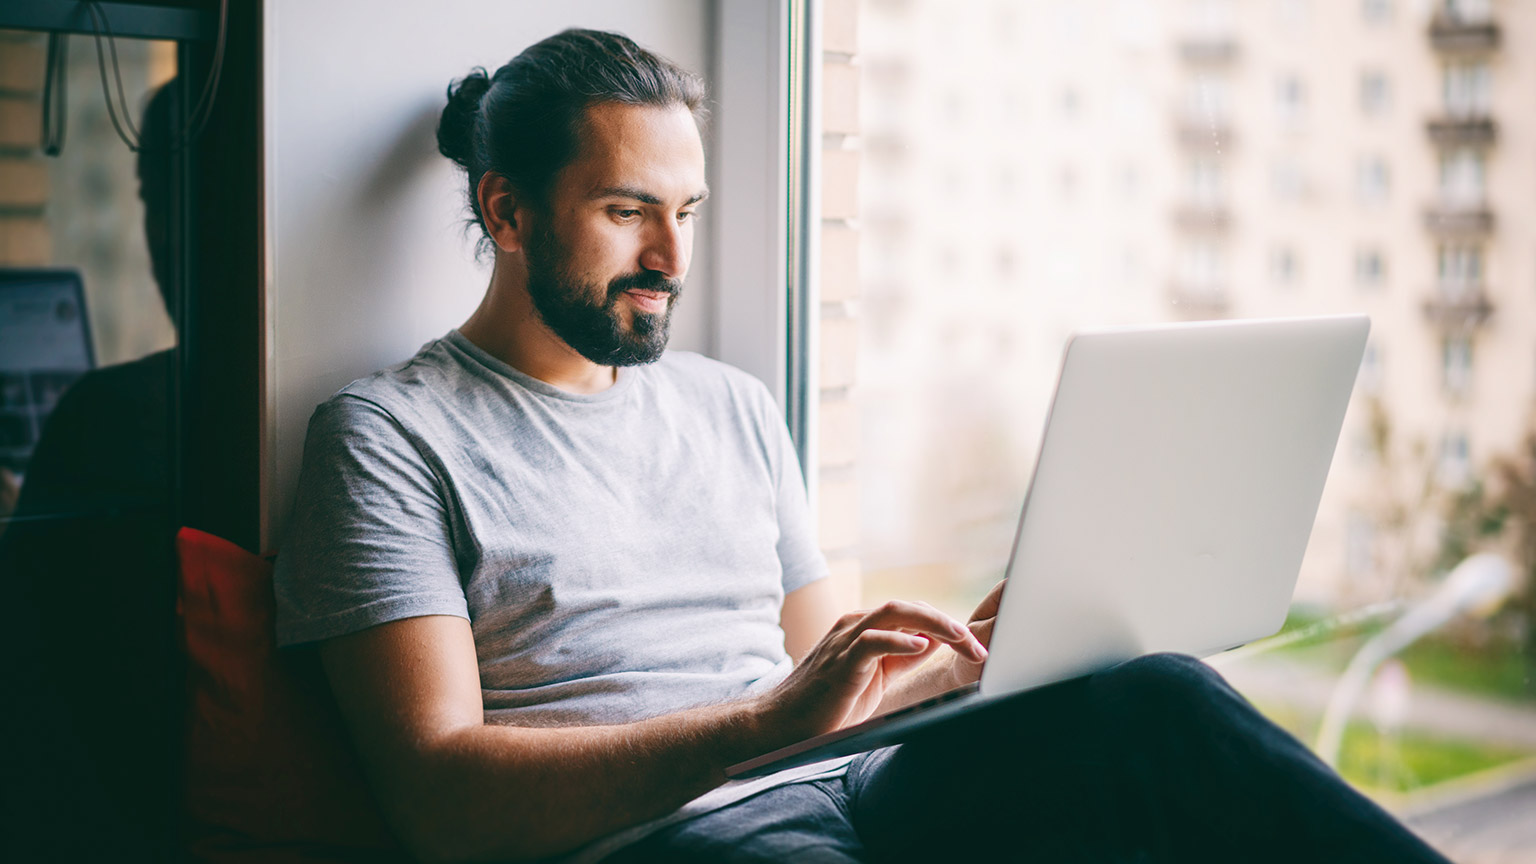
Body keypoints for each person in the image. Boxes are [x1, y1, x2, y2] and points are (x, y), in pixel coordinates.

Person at [274, 29, 1453, 864]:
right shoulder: (388, 437)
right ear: (507, 212)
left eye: (684, 214)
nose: (674, 263)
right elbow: (440, 806)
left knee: (1150, 701)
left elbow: (819, 692)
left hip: (855, 785)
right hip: (666, 835)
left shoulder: (730, 406)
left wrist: (966, 660)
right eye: (628, 212)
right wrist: (762, 727)